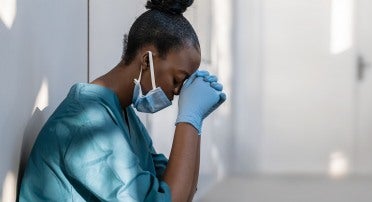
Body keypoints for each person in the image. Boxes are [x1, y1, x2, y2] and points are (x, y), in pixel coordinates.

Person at [19, 0, 226, 201]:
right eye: (178, 80)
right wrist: (190, 118)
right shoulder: (86, 123)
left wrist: (196, 123)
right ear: (147, 60)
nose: (180, 92)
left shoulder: (124, 115)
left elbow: (181, 189)